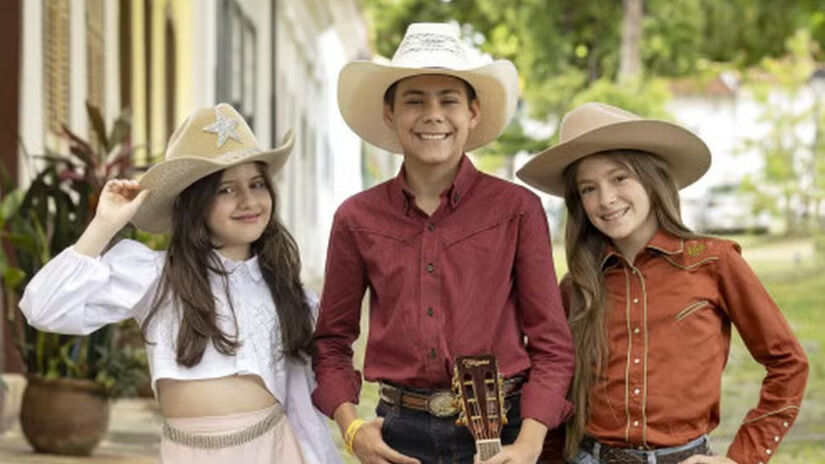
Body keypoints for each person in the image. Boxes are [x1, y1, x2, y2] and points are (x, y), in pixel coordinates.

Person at [311, 22, 575, 464]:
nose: (432, 114)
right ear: (390, 115)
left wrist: (528, 444)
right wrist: (352, 428)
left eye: (448, 100)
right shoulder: (356, 219)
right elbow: (331, 341)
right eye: (414, 100)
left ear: (472, 113)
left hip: (501, 430)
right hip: (398, 435)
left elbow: (551, 342)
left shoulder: (517, 210)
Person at [20, 103, 341, 464]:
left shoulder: (286, 291)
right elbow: (42, 308)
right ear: (195, 203)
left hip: (272, 449)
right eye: (226, 190)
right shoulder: (157, 277)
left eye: (256, 184)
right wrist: (104, 225)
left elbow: (305, 403)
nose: (248, 201)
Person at [516, 102, 809, 464]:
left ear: (651, 178)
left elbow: (788, 363)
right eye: (588, 189)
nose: (606, 199)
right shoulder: (577, 287)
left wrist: (743, 457)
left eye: (620, 178)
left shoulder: (714, 261)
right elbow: (555, 388)